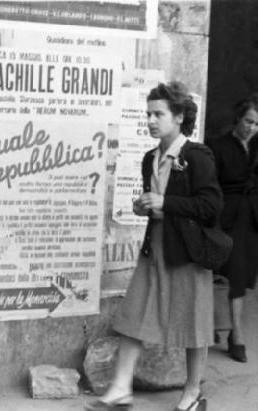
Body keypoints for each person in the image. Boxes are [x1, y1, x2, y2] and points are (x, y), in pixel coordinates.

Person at [85, 82, 222, 411]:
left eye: (158, 114)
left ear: (178, 117)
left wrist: (166, 202)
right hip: (156, 247)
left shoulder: (195, 156)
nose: (150, 120)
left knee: (193, 324)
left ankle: (192, 394)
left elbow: (211, 205)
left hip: (187, 252)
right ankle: (119, 389)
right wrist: (143, 206)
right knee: (134, 316)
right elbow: (161, 204)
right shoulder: (151, 158)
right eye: (148, 113)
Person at [206, 93, 258, 363]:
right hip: (227, 217)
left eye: (257, 124)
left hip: (252, 218)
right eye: (249, 121)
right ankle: (236, 334)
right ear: (237, 119)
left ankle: (226, 331)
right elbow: (209, 184)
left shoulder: (257, 147)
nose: (252, 128)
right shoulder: (218, 146)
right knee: (232, 272)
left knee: (246, 273)